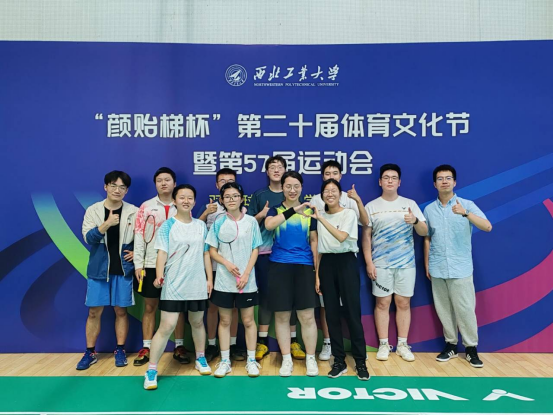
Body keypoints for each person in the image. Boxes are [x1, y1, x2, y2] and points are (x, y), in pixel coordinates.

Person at [143, 185, 213, 390]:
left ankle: (200, 358)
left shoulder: (201, 226)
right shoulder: (167, 226)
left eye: (190, 198)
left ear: (194, 201)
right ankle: (151, 370)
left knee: (197, 322)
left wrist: (209, 279)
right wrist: (159, 275)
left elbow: (206, 253)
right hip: (174, 283)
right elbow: (162, 253)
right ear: (174, 201)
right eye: (182, 197)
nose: (186, 201)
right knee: (167, 326)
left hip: (197, 283)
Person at [423, 165, 492, 368]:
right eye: (440, 178)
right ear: (434, 184)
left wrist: (466, 214)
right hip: (437, 267)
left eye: (448, 178)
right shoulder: (429, 209)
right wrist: (427, 263)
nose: (444, 181)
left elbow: (487, 226)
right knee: (444, 309)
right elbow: (427, 237)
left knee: (465, 309)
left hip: (460, 268)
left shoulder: (467, 204)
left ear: (454, 182)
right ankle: (451, 345)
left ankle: (471, 348)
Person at [362, 164, 428, 362]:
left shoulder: (409, 204)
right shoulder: (371, 206)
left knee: (403, 303)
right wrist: (369, 262)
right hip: (380, 264)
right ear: (380, 182)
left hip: (406, 264)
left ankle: (402, 344)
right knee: (382, 303)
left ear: (399, 182)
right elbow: (366, 237)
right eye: (386, 177)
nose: (389, 181)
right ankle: (384, 344)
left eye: (393, 178)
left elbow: (424, 231)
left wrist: (415, 221)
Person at [77, 170, 138, 370]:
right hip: (99, 269)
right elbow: (89, 238)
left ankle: (120, 349)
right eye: (113, 185)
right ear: (105, 187)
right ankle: (90, 352)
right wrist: (106, 224)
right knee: (94, 312)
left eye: (122, 187)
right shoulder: (93, 210)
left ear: (126, 191)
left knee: (121, 310)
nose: (117, 190)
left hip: (123, 269)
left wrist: (137, 253)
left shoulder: (134, 211)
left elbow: (143, 237)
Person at [309, 159, 369, 361]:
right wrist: (317, 275)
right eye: (326, 191)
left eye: (334, 190)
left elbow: (342, 237)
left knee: (352, 312)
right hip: (326, 263)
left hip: (346, 262)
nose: (330, 194)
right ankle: (339, 360)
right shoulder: (318, 214)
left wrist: (321, 218)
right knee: (331, 313)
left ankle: (360, 360)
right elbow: (319, 248)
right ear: (321, 196)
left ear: (340, 194)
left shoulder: (349, 213)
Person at [248, 156, 304, 361]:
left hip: (290, 256)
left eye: (280, 167)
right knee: (265, 296)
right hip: (265, 253)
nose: (277, 170)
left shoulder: (293, 194)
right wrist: (262, 214)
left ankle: (293, 341)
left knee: (292, 298)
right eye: (272, 167)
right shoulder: (259, 195)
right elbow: (248, 224)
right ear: (267, 172)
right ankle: (262, 342)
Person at [133, 167, 189, 366]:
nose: (163, 183)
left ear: (175, 183)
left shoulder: (182, 205)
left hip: (177, 265)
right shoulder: (146, 207)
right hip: (150, 263)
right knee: (150, 306)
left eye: (167, 180)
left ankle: (179, 346)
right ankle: (146, 347)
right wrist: (138, 264)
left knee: (178, 308)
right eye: (159, 180)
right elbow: (139, 236)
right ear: (155, 184)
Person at [265, 171, 319, 377]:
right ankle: (286, 358)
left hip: (304, 266)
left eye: (296, 186)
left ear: (301, 188)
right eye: (288, 186)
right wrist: (293, 210)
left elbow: (314, 241)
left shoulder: (310, 213)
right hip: (279, 266)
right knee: (282, 316)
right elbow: (269, 225)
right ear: (282, 188)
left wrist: (317, 272)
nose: (292, 190)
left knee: (307, 316)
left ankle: (311, 358)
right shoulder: (275, 210)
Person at [206, 183, 263, 378]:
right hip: (224, 281)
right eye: (227, 196)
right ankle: (224, 361)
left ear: (241, 199)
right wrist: (227, 264)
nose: (231, 199)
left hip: (247, 281)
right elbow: (212, 250)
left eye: (235, 196)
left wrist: (246, 274)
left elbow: (255, 249)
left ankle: (251, 360)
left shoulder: (251, 222)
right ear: (222, 200)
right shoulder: (218, 222)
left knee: (248, 320)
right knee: (225, 320)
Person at [198, 168, 245, 362]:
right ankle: (211, 345)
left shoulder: (242, 210)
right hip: (214, 267)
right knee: (212, 307)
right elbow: (195, 229)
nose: (226, 183)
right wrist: (204, 213)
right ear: (217, 185)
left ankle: (232, 345)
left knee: (233, 308)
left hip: (234, 268)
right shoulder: (210, 209)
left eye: (230, 180)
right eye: (222, 181)